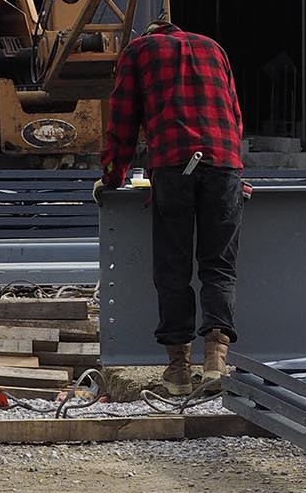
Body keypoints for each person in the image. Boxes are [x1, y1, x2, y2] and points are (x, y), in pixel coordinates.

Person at [97, 20, 244, 396]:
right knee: (218, 266)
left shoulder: (138, 52)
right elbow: (232, 115)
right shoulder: (213, 46)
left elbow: (123, 121)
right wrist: (231, 172)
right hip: (223, 164)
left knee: (173, 267)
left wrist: (113, 176)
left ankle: (178, 370)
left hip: (174, 166)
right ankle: (216, 362)